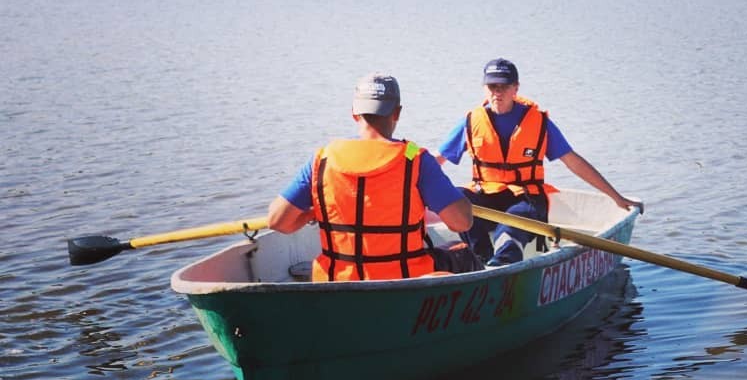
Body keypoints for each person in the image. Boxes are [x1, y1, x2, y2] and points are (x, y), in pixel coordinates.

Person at [435, 58, 643, 267]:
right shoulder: (471, 121)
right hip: (486, 198)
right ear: (484, 89)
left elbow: (573, 162)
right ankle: (481, 260)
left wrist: (616, 197)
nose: (497, 92)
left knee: (512, 223)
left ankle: (502, 266)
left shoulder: (539, 122)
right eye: (492, 86)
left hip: (527, 199)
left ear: (515, 88)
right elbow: (434, 162)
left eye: (504, 86)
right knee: (456, 197)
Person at [268, 73, 474, 281]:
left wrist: (312, 214)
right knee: (463, 254)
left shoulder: (323, 158)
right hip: (405, 279)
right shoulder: (414, 157)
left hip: (336, 281)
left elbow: (278, 221)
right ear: (397, 113)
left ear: (354, 114)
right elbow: (461, 223)